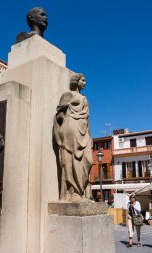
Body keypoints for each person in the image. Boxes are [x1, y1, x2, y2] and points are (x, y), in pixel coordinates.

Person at [53, 73, 93, 202]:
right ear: (76, 81)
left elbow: (87, 120)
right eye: (83, 80)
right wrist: (66, 123)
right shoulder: (67, 95)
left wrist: (90, 136)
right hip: (70, 129)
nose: (85, 83)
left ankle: (79, 192)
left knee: (88, 160)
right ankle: (73, 194)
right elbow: (59, 114)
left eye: (85, 80)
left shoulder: (84, 98)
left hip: (83, 131)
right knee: (71, 161)